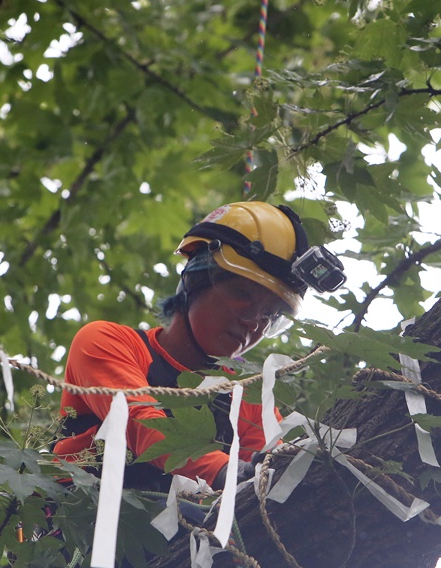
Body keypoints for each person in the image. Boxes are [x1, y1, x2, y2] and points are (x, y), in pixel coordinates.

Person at [53, 201, 345, 491]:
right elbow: (143, 424)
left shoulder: (246, 397)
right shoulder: (108, 343)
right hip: (82, 529)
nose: (254, 323)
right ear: (197, 278)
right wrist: (226, 472)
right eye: (243, 294)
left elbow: (273, 468)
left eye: (270, 315)